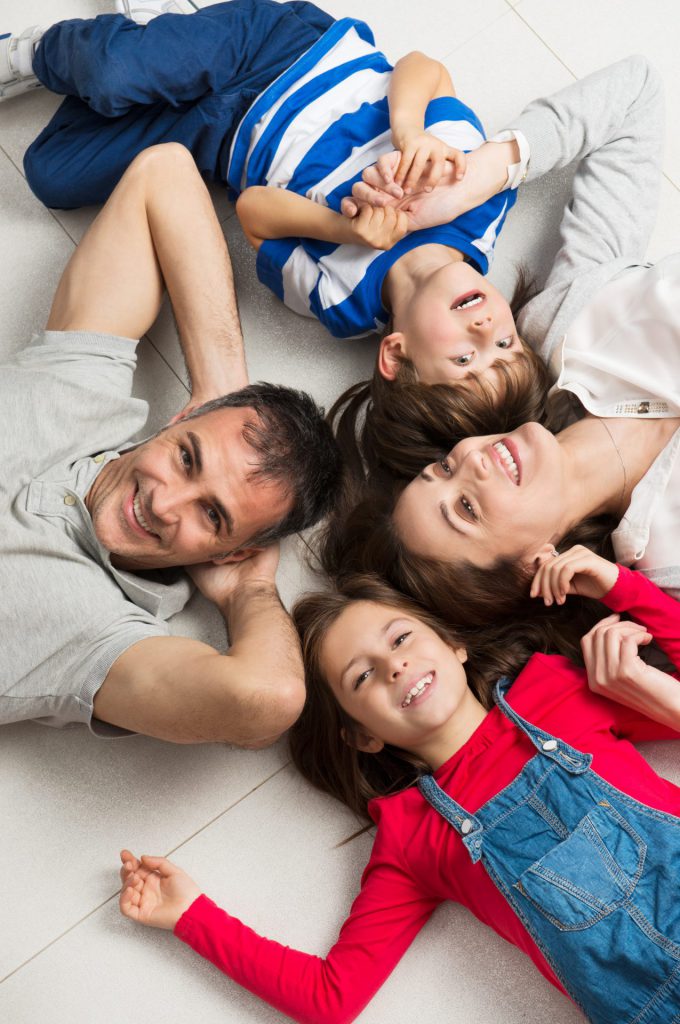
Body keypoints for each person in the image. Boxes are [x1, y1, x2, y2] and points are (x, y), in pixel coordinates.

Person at [118, 549, 680, 1024]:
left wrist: (622, 588)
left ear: (454, 644)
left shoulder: (553, 690)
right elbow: (331, 998)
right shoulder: (413, 836)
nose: (394, 666)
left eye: (401, 637)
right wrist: (191, 916)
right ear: (361, 736)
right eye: (360, 676)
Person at [0, 141, 341, 745]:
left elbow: (267, 699)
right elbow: (164, 172)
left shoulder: (101, 634)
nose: (163, 503)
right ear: (180, 419)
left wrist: (250, 592)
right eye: (187, 457)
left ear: (229, 553)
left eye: (212, 515)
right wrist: (222, 386)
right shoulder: (86, 391)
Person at [0, 0, 532, 368]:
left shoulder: (343, 306)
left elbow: (252, 211)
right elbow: (423, 67)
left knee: (52, 172)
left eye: (465, 357)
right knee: (111, 73)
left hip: (221, 141)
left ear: (396, 354)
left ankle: (154, 40)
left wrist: (345, 231)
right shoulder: (479, 202)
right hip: (281, 53)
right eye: (507, 342)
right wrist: (409, 131)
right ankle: (37, 50)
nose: (485, 330)